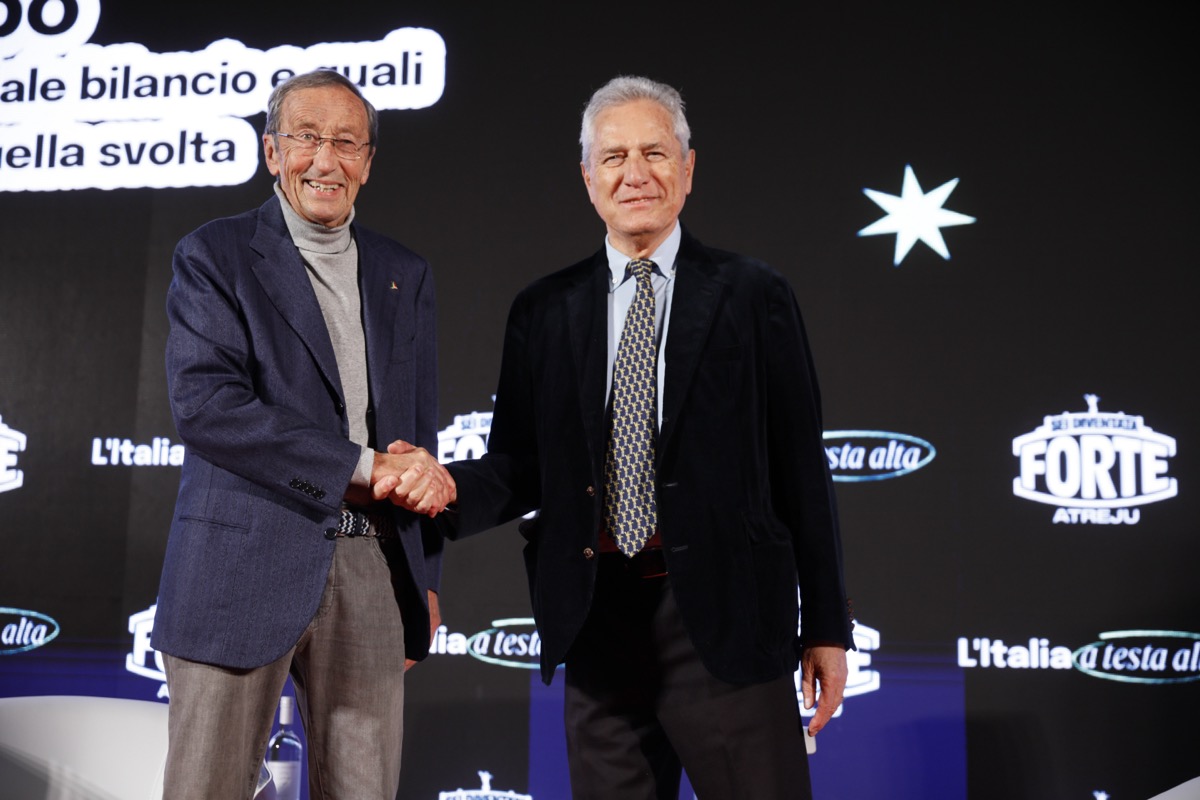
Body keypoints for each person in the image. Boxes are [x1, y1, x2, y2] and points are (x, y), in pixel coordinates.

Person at [422, 75, 854, 799]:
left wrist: (828, 626)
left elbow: (800, 469)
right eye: (614, 156)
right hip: (597, 625)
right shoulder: (543, 309)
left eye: (655, 152)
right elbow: (520, 465)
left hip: (727, 623)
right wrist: (439, 489)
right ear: (588, 177)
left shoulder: (753, 295)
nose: (635, 173)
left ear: (687, 169)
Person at [151, 69, 454, 800]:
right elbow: (208, 406)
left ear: (369, 162)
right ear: (271, 152)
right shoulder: (213, 255)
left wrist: (426, 575)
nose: (326, 160)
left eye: (346, 142)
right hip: (238, 566)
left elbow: (414, 436)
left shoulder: (402, 273)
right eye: (307, 138)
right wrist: (360, 464)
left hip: (372, 569)